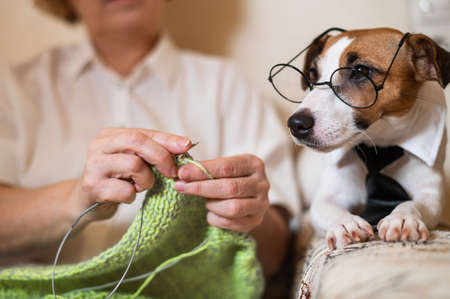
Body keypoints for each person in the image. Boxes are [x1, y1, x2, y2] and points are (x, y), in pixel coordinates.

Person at [0, 0, 300, 278]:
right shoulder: (14, 92)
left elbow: (274, 256)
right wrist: (78, 197)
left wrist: (245, 216)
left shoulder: (227, 87)